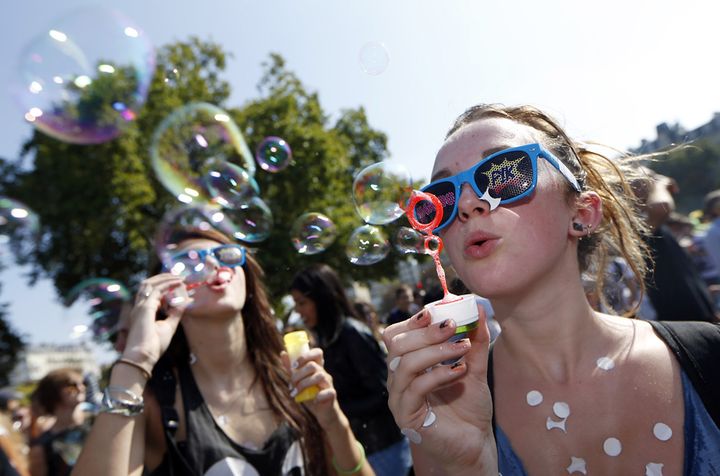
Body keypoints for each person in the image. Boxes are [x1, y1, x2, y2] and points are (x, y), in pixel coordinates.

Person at [384, 104, 720, 475]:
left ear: (582, 213)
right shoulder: (445, 414)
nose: (466, 204)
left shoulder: (709, 354)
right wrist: (459, 466)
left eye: (504, 174)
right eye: (442, 198)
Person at [73, 227, 372, 476]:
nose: (214, 265)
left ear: (245, 276)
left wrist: (332, 420)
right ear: (166, 294)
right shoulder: (157, 402)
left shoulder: (289, 373)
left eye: (225, 255)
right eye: (190, 262)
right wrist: (136, 359)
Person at [291, 264, 412, 476]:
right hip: (358, 448)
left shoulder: (352, 333)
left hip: (384, 446)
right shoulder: (325, 338)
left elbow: (384, 392)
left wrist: (335, 409)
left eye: (302, 303)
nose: (298, 311)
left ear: (322, 299)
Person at [632, 168, 718, 322]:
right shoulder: (638, 226)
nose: (651, 187)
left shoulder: (652, 225)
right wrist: (661, 183)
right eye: (648, 182)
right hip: (683, 319)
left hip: (698, 314)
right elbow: (662, 205)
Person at [29, 368, 89, 476]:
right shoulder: (42, 445)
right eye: (72, 385)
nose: (81, 388)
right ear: (54, 392)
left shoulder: (97, 422)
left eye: (83, 383)